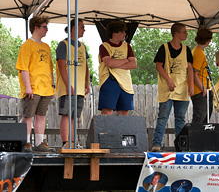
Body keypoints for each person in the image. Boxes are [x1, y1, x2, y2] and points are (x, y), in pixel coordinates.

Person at [151, 23, 194, 152]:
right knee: (163, 117)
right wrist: (169, 80)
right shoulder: (164, 48)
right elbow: (158, 66)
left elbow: (190, 68)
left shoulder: (186, 49)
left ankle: (180, 146)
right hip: (167, 89)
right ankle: (156, 144)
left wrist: (191, 84)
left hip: (182, 90)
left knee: (180, 119)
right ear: (177, 34)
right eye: (184, 32)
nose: (186, 34)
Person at [16, 15, 55, 152]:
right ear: (36, 28)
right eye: (44, 27)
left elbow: (50, 68)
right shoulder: (27, 45)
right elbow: (23, 67)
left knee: (41, 116)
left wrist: (52, 85)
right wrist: (27, 87)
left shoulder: (46, 47)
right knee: (28, 116)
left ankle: (39, 143)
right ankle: (25, 142)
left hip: (45, 88)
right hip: (33, 87)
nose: (47, 30)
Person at [56, 19, 90, 147]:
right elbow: (61, 65)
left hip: (80, 88)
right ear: (74, 28)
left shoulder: (82, 46)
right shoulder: (63, 44)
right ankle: (66, 142)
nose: (84, 30)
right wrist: (68, 84)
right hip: (67, 88)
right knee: (66, 114)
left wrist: (87, 83)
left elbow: (86, 66)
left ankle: (73, 142)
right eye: (82, 27)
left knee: (74, 116)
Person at [98, 20, 137, 115]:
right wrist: (125, 60)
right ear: (114, 34)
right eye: (122, 32)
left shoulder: (127, 46)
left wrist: (116, 63)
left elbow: (133, 64)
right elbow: (109, 63)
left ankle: (122, 131)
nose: (125, 34)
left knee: (124, 111)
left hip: (125, 83)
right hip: (109, 80)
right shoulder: (104, 46)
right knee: (107, 111)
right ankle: (105, 130)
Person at [190, 27, 213, 123]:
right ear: (208, 41)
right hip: (200, 91)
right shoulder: (199, 53)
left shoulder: (197, 51)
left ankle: (200, 137)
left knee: (204, 118)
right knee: (200, 119)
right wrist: (203, 89)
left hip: (201, 90)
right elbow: (194, 73)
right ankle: (195, 137)